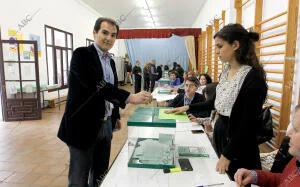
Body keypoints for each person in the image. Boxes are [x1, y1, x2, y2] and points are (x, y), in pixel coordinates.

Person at [57, 17, 152, 187]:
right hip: (83, 126)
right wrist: (130, 97)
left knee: (101, 175)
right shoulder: (82, 55)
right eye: (105, 32)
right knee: (79, 179)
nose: (109, 38)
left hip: (106, 125)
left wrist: (115, 116)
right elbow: (97, 86)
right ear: (95, 32)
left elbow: (110, 92)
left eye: (113, 35)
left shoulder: (111, 62)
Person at [165, 23, 268, 179]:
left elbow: (247, 123)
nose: (216, 51)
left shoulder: (253, 78)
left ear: (235, 45)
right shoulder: (226, 72)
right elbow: (213, 103)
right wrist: (186, 108)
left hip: (238, 143)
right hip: (221, 134)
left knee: (237, 179)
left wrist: (227, 155)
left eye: (220, 46)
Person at [234, 104, 300, 187]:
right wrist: (254, 175)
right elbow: (282, 180)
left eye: (296, 130)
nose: (288, 133)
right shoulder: (296, 160)